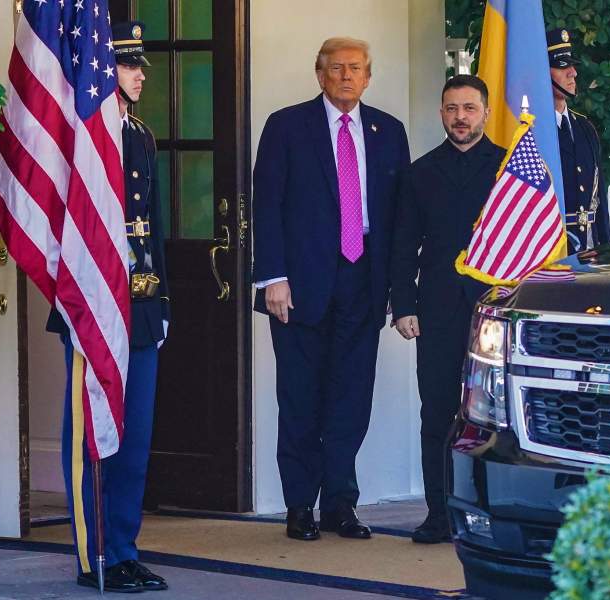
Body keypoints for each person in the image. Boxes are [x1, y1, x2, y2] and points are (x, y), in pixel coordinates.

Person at [253, 37, 410, 541]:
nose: (346, 76)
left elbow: (399, 219)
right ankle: (299, 506)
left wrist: (396, 288)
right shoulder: (286, 126)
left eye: (356, 68)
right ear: (319, 75)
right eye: (336, 68)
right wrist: (271, 277)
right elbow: (267, 204)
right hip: (299, 285)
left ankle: (341, 504)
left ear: (368, 77)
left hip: (364, 280)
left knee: (350, 400)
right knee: (300, 398)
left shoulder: (390, 131)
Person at [46, 20, 170, 593]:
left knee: (135, 440)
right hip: (94, 306)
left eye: (140, 64)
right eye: (128, 64)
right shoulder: (79, 135)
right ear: (102, 70)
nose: (140, 73)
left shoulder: (140, 135)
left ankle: (123, 548)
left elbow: (154, 228)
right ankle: (93, 554)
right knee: (93, 436)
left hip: (139, 308)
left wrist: (162, 301)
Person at [390, 75, 505, 544]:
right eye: (452, 108)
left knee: (496, 419)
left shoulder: (510, 171)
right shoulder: (420, 172)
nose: (460, 117)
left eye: (469, 108)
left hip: (497, 312)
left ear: (485, 111)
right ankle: (438, 515)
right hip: (435, 311)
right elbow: (402, 246)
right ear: (442, 113)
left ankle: (493, 517)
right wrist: (403, 305)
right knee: (436, 414)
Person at [547, 27, 610, 253]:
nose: (572, 73)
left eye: (572, 66)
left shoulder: (585, 127)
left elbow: (599, 197)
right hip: (549, 249)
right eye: (562, 66)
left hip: (588, 247)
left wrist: (606, 248)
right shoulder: (530, 131)